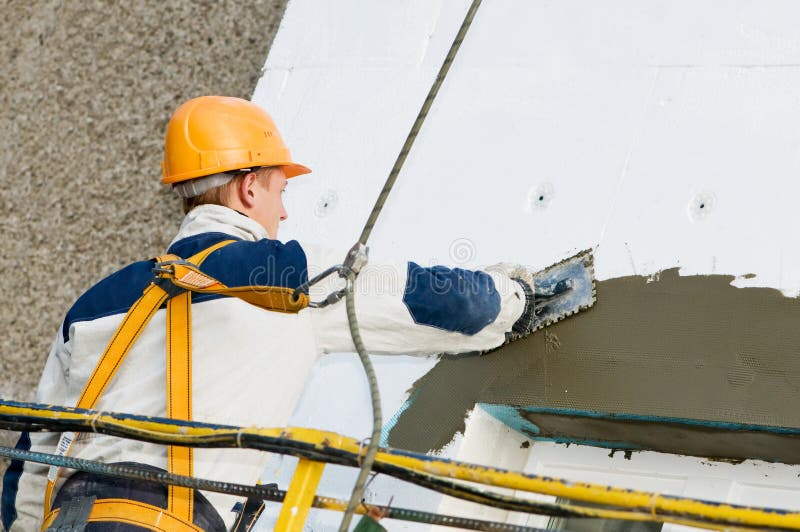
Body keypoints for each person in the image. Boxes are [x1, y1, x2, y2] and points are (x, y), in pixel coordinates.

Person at [2, 96, 537, 531]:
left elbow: (31, 465)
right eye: (281, 189)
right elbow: (425, 298)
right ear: (248, 186)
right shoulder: (284, 276)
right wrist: (516, 297)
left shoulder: (91, 306)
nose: (284, 210)